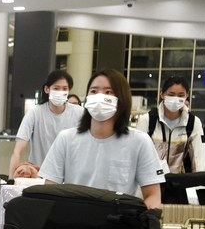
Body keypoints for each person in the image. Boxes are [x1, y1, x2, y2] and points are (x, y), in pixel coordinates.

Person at [39, 68, 164, 209]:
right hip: (73, 224)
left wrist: (140, 220)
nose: (99, 97)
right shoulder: (66, 139)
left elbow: (153, 195)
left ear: (121, 98)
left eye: (108, 92)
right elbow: (49, 191)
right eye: (93, 91)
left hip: (119, 223)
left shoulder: (139, 142)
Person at [9, 69, 84, 177]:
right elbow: (17, 151)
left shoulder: (79, 113)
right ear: (47, 89)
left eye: (64, 89)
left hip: (68, 175)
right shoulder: (35, 113)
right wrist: (11, 181)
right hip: (38, 174)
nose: (60, 92)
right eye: (56, 88)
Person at [135, 75, 205, 174]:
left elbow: (200, 159)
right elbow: (136, 156)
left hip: (178, 183)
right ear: (162, 94)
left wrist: (201, 186)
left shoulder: (193, 122)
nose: (176, 99)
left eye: (181, 95)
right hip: (150, 182)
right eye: (171, 95)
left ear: (187, 95)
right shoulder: (147, 120)